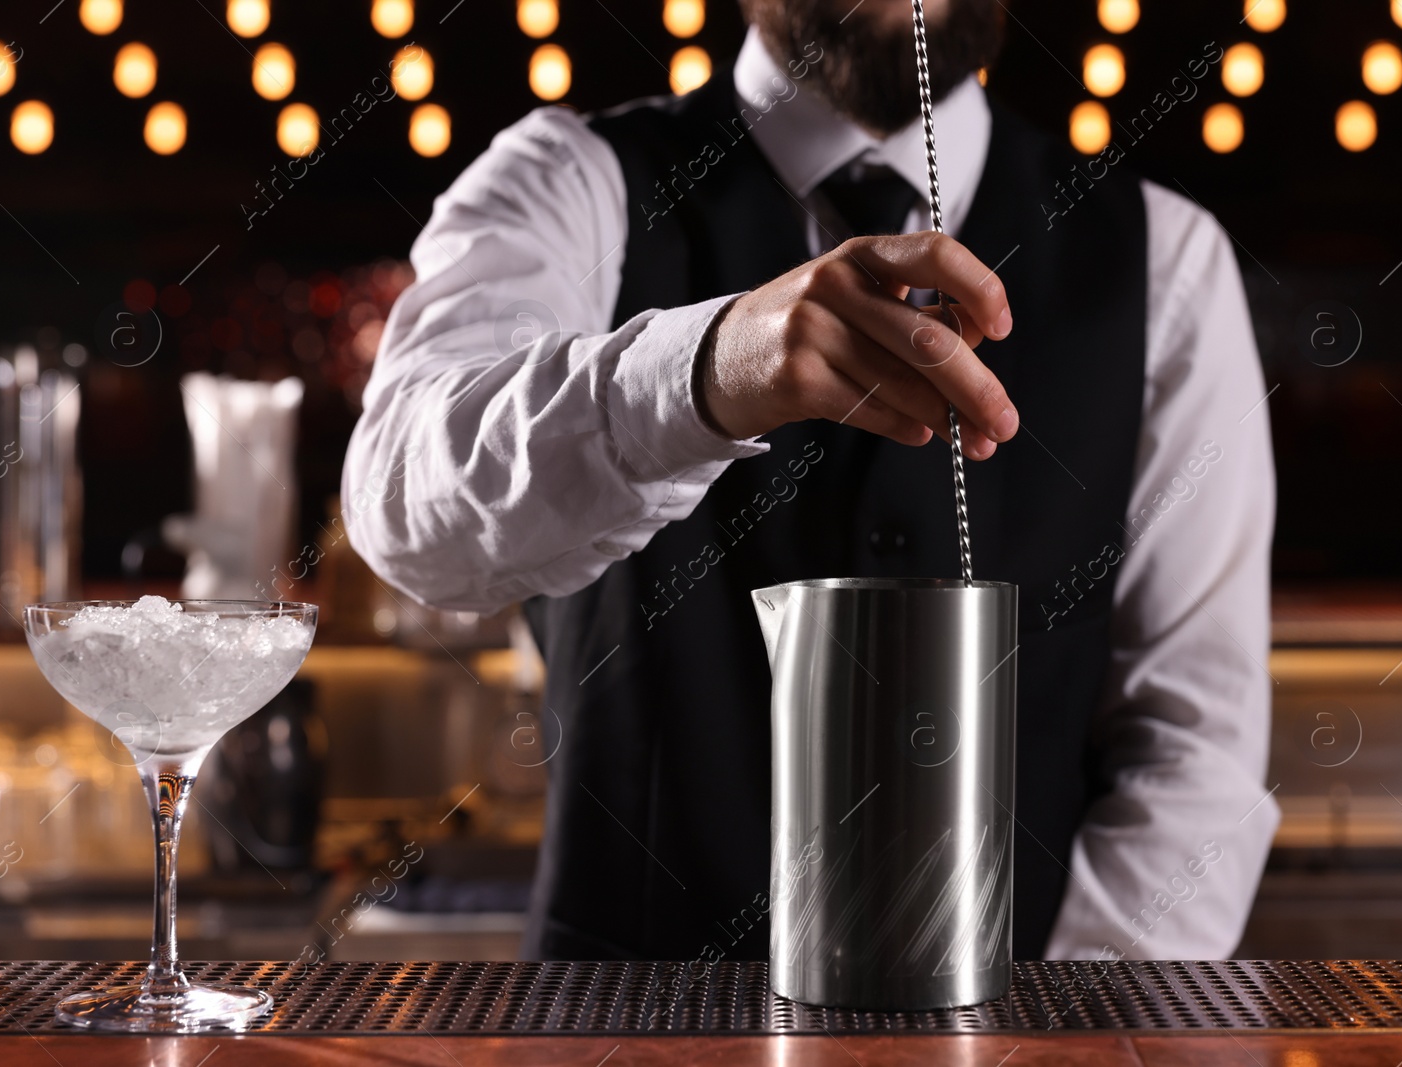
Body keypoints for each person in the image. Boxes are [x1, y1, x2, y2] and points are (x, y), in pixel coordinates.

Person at [343, 0, 1278, 962]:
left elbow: (1194, 751)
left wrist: (1053, 1033)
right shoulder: (568, 181)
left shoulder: (1165, 254)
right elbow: (406, 515)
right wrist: (705, 370)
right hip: (624, 1026)